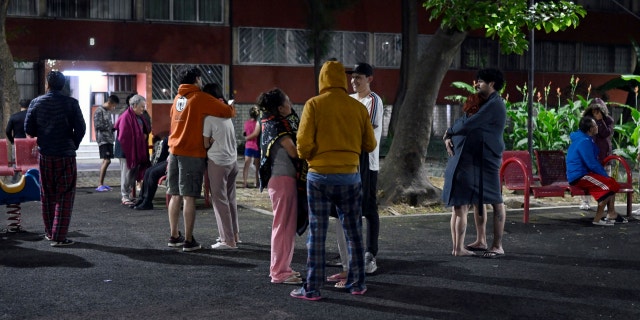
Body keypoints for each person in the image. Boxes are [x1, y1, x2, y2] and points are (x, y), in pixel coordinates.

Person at [290, 60, 376, 301]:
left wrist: (315, 154)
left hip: (318, 177)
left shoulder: (314, 105)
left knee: (317, 233)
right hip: (350, 176)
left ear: (323, 79)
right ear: (341, 79)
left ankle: (312, 288)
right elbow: (370, 144)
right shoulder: (357, 107)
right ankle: (357, 283)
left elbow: (303, 146)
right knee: (354, 231)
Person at [166, 66, 235, 252]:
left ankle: (174, 236)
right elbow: (228, 111)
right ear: (197, 79)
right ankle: (189, 240)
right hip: (191, 153)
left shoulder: (177, 99)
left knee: (174, 194)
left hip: (173, 151)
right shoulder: (200, 98)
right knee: (189, 197)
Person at [327, 62, 384, 286]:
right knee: (348, 208)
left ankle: (371, 252)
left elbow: (363, 126)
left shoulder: (374, 101)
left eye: (359, 77)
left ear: (369, 79)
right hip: (350, 160)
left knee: (368, 207)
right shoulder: (349, 99)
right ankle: (350, 255)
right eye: (352, 78)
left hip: (367, 161)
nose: (354, 81)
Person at [442, 68, 507, 259]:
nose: (477, 84)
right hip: (477, 157)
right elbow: (465, 118)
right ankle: (481, 240)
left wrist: (450, 131)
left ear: (492, 84)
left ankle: (497, 245)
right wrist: (450, 134)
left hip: (488, 158)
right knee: (479, 200)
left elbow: (472, 122)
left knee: (495, 199)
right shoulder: (482, 101)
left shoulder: (495, 104)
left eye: (480, 82)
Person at [24, 70, 86, 246]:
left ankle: (50, 232)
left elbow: (29, 128)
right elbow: (81, 128)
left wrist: (43, 135)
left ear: (48, 84)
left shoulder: (36, 103)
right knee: (65, 195)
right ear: (62, 85)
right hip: (66, 154)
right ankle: (59, 236)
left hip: (46, 154)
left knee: (48, 194)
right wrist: (73, 144)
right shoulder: (71, 103)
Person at [257, 88, 303, 285]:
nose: (291, 105)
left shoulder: (270, 122)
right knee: (283, 226)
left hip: (281, 179)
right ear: (280, 107)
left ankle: (283, 267)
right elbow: (294, 152)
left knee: (285, 226)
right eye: (288, 102)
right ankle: (279, 272)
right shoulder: (278, 125)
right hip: (283, 179)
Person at [442, 93, 486, 257]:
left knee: (457, 211)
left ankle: (456, 248)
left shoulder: (460, 122)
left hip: (453, 169)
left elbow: (447, 134)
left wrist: (447, 138)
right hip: (466, 171)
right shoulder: (477, 127)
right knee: (462, 211)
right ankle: (459, 248)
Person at [567, 116, 627, 225]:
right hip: (579, 176)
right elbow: (592, 163)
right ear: (590, 129)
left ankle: (611, 213)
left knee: (611, 182)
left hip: (584, 174)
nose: (597, 127)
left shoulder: (585, 139)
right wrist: (604, 175)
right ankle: (597, 220)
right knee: (608, 186)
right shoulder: (584, 141)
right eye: (595, 125)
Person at [202, 83, 240, 250]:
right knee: (230, 200)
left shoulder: (209, 118)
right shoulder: (227, 114)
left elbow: (205, 143)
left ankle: (227, 240)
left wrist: (210, 140)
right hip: (233, 162)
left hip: (218, 162)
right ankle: (235, 236)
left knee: (219, 202)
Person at [114, 94, 151, 206]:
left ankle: (129, 194)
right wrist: (140, 137)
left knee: (132, 173)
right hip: (126, 150)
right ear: (134, 105)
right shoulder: (126, 116)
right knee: (126, 173)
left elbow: (145, 129)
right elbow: (124, 136)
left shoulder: (139, 116)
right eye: (141, 106)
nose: (143, 109)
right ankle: (124, 195)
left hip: (135, 149)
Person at [579, 98, 614, 210]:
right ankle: (585, 201)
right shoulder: (586, 121)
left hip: (605, 156)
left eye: (598, 111)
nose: (596, 113)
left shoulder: (608, 121)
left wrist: (600, 120)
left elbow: (605, 133)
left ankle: (603, 201)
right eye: (593, 111)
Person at [131, 135, 169, 210]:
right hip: (170, 158)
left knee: (153, 173)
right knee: (148, 171)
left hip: (176, 160)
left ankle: (147, 201)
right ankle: (142, 199)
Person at [93, 94, 119, 192]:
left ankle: (101, 183)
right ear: (110, 103)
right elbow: (98, 125)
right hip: (103, 139)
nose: (114, 108)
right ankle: (100, 184)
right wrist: (110, 127)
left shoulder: (107, 111)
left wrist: (114, 128)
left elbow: (108, 125)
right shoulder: (99, 111)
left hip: (109, 139)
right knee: (107, 160)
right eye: (114, 106)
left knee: (107, 160)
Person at [5, 98, 30, 182]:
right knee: (29, 161)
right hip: (29, 142)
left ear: (20, 106)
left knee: (16, 162)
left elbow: (7, 131)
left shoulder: (14, 117)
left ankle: (14, 182)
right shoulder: (31, 116)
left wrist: (12, 140)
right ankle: (28, 179)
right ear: (29, 106)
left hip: (17, 142)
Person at [242, 106, 261, 188]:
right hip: (256, 146)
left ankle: (245, 182)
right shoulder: (258, 123)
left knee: (246, 165)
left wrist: (246, 137)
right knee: (257, 167)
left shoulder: (246, 123)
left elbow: (245, 132)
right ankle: (257, 182)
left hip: (248, 146)